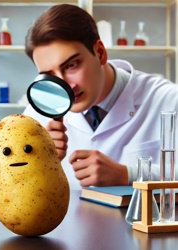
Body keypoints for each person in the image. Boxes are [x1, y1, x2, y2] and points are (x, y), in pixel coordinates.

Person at [23, 4, 178, 190]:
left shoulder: (168, 100)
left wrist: (128, 174)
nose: (65, 87)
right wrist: (36, 163)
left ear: (100, 53)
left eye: (72, 65)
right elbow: (13, 185)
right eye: (50, 76)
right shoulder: (37, 113)